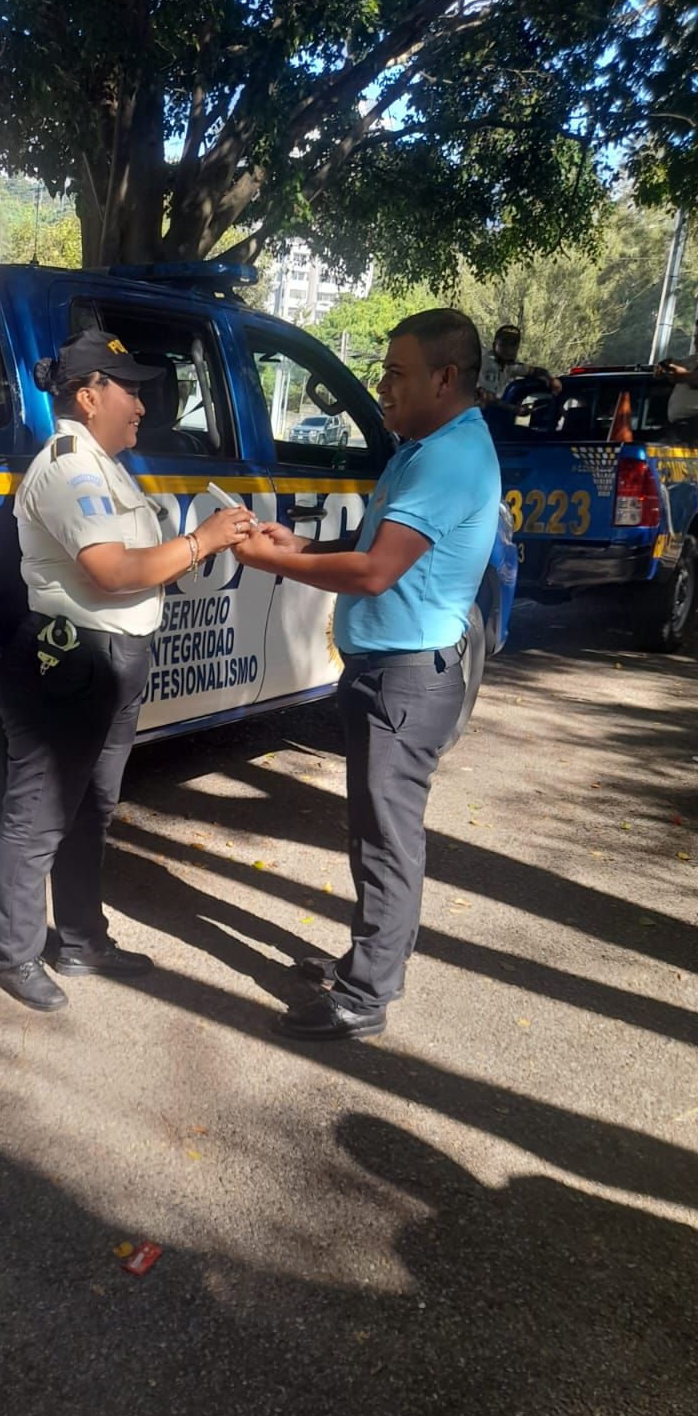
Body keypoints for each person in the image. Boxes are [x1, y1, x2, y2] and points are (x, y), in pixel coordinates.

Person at [232, 308, 500, 1041]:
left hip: (405, 681)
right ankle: (372, 960)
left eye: (396, 373)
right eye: (383, 372)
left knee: (386, 838)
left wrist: (270, 560)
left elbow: (377, 571)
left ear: (445, 378)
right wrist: (300, 544)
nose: (382, 386)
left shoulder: (448, 458)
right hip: (391, 674)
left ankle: (365, 996)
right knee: (379, 833)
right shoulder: (426, 448)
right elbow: (373, 541)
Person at [0, 327, 256, 1011]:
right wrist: (201, 540)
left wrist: (199, 545)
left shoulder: (106, 466)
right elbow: (110, 571)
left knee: (92, 809)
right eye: (129, 390)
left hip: (114, 659)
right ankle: (15, 953)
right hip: (71, 658)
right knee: (40, 814)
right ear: (89, 395)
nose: (142, 404)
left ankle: (83, 940)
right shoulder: (70, 468)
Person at [658, 322, 698, 442]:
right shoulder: (690, 361)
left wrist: (682, 375)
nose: (695, 342)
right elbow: (668, 362)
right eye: (696, 337)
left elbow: (694, 380)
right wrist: (662, 367)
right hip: (677, 429)